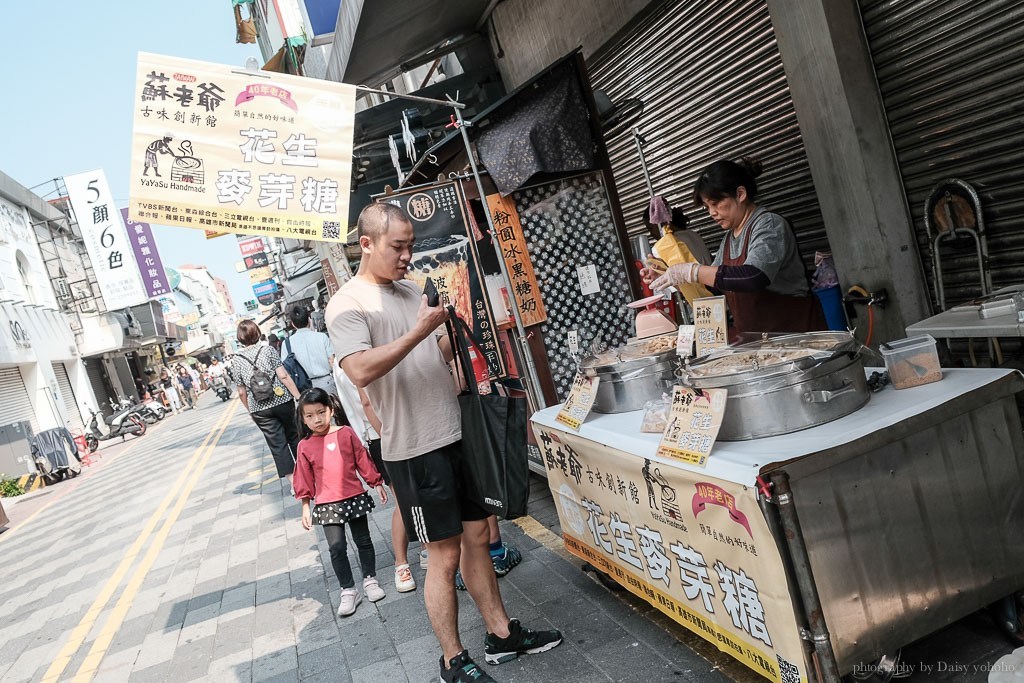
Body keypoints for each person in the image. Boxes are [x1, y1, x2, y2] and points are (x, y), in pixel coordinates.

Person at [326, 203, 562, 683]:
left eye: (411, 244)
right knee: (443, 554)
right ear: (366, 244)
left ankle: (501, 635)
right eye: (398, 246)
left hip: (457, 433)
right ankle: (452, 660)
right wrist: (420, 329)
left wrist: (450, 325)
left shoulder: (412, 289)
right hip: (413, 450)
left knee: (479, 536)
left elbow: (436, 354)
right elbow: (359, 370)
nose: (408, 255)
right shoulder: (347, 304)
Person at [645, 157, 826, 341]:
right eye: (707, 206)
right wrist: (672, 277)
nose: (711, 213)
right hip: (759, 343)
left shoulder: (769, 225)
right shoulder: (728, 240)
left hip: (796, 337)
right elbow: (714, 289)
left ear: (740, 194)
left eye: (716, 203)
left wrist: (692, 271)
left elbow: (753, 276)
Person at [293, 388, 388, 617]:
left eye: (320, 412)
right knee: (337, 548)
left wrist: (376, 482)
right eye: (309, 415)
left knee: (363, 540)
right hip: (327, 504)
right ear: (303, 419)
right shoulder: (304, 446)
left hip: (354, 496)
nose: (317, 419)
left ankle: (370, 580)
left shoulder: (345, 433)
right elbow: (303, 477)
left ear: (331, 410)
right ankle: (348, 589)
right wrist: (306, 506)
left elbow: (361, 459)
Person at [227, 319, 303, 483]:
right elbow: (283, 375)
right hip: (282, 399)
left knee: (277, 444)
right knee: (294, 436)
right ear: (257, 332)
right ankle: (306, 474)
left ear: (239, 338)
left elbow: (241, 391)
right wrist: (298, 397)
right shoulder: (268, 350)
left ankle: (293, 483)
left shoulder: (237, 359)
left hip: (259, 408)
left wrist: (251, 411)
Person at [283, 303, 338, 395]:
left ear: (293, 324)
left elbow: (286, 371)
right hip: (327, 383)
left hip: (303, 389)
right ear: (309, 319)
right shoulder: (322, 337)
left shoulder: (287, 344)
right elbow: (332, 360)